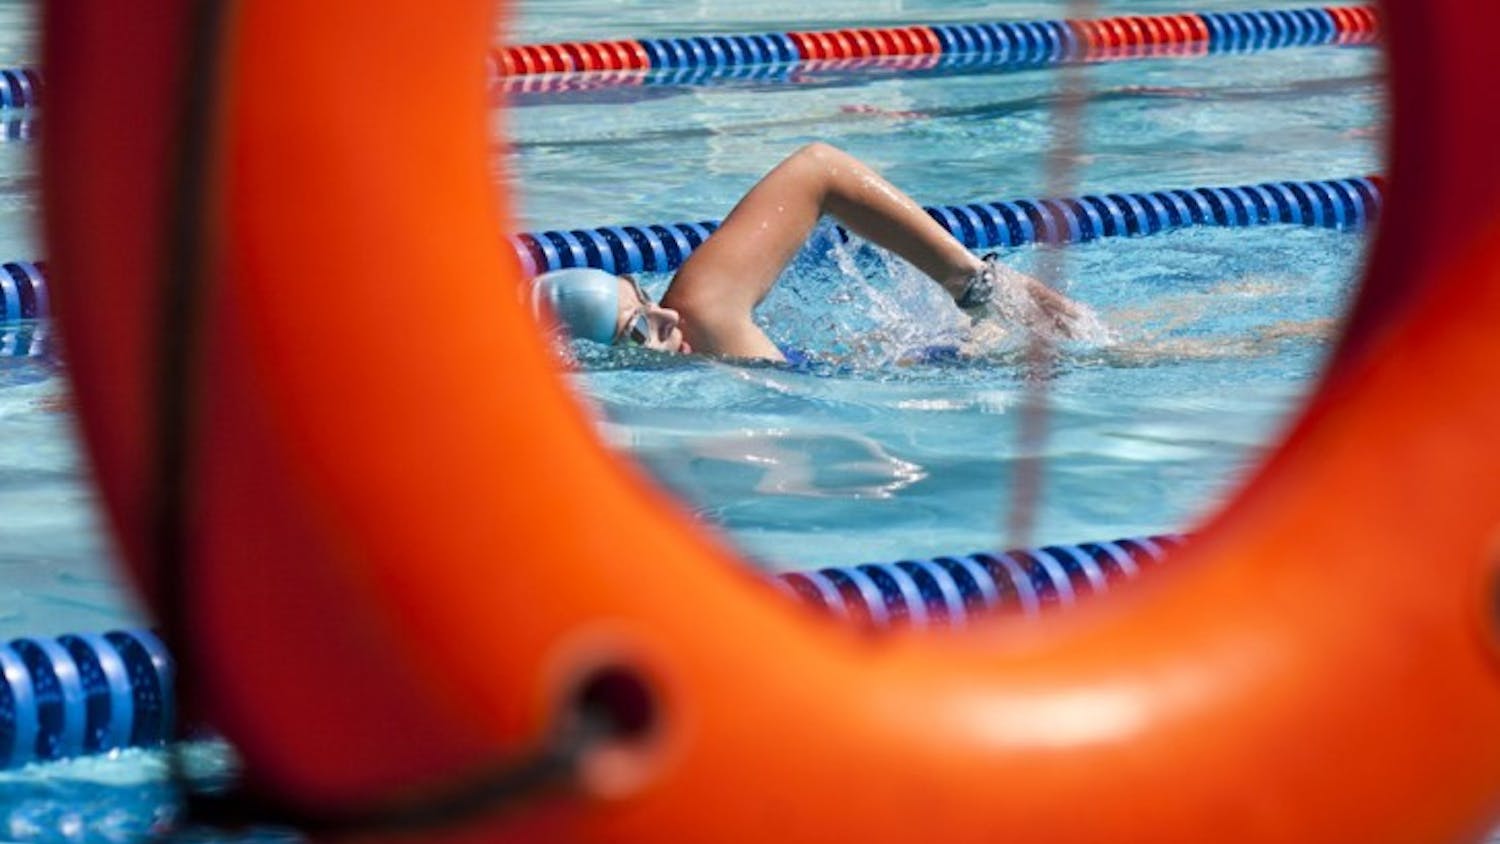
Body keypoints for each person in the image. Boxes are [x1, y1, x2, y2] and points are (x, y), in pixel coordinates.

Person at [530, 142, 1083, 363]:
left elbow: (818, 168)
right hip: (926, 379)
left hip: (963, 369)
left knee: (1126, 346)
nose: (667, 315)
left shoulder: (701, 314)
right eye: (637, 329)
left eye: (646, 299)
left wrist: (975, 287)